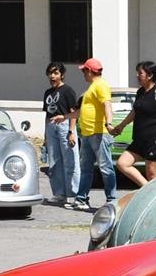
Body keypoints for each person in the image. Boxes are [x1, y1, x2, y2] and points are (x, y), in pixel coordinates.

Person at [108, 61, 156, 187]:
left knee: (151, 176)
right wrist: (121, 126)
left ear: (149, 76)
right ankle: (146, 188)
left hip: (154, 140)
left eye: (140, 73)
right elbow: (134, 112)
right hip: (139, 140)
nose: (137, 76)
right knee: (122, 164)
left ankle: (154, 197)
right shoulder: (141, 92)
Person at [74, 57, 117, 211]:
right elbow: (81, 110)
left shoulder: (100, 86)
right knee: (86, 168)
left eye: (84, 70)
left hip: (98, 133)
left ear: (90, 71)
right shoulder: (93, 87)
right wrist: (64, 117)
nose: (83, 73)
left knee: (105, 167)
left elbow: (107, 104)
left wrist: (109, 123)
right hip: (88, 133)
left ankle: (112, 200)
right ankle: (81, 199)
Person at [41, 62, 80, 207]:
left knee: (70, 161)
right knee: (54, 162)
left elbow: (73, 113)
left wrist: (71, 132)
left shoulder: (68, 90)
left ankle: (74, 194)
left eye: (56, 73)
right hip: (51, 126)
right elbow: (47, 115)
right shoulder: (47, 93)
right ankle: (59, 194)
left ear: (61, 75)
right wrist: (45, 135)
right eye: (50, 73)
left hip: (65, 125)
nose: (52, 76)